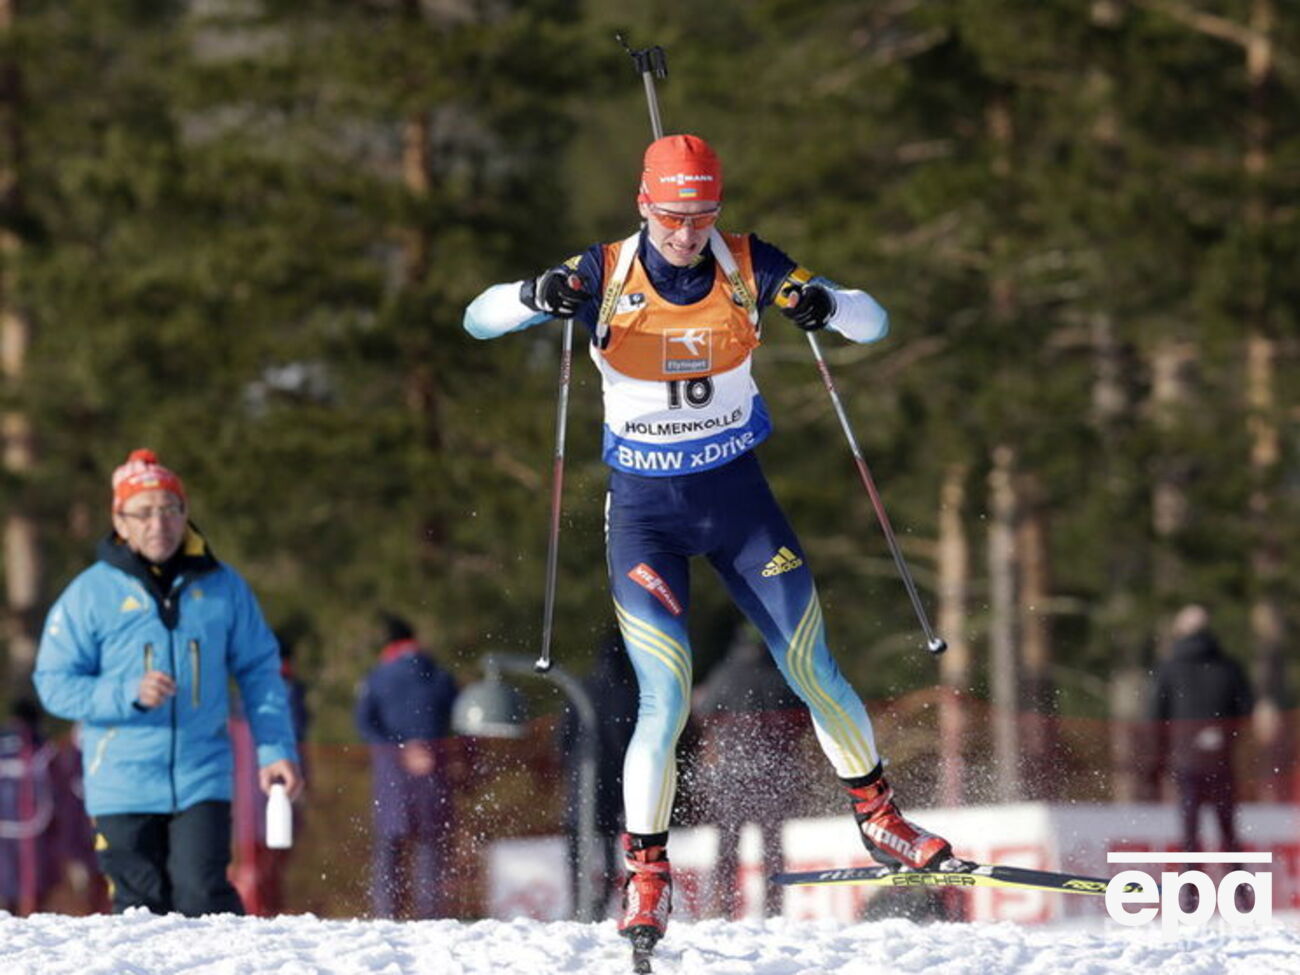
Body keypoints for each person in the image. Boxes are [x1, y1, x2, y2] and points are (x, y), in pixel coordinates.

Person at [464, 134, 951, 951]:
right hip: (647, 513)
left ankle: (882, 820)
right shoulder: (603, 272)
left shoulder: (751, 265)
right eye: (674, 216)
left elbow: (874, 323)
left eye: (703, 215)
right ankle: (647, 875)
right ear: (643, 205)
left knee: (812, 663)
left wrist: (824, 304)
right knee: (666, 694)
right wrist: (533, 294)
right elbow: (478, 319)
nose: (690, 233)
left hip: (738, 500)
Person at [32, 448, 303, 917]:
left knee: (204, 898)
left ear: (185, 514)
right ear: (120, 519)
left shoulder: (223, 586)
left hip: (203, 775)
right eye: (144, 512)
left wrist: (276, 750)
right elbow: (53, 683)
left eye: (170, 510)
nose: (159, 524)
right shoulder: (89, 594)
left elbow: (260, 671)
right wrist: (126, 694)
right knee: (140, 911)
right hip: (120, 781)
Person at [693, 628, 803, 918]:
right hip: (773, 773)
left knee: (727, 845)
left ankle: (723, 904)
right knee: (773, 843)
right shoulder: (779, 674)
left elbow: (702, 712)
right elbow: (800, 716)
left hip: (731, 772)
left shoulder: (724, 674)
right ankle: (774, 905)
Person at [354, 613, 459, 919]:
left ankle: (387, 915)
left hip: (391, 774)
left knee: (389, 848)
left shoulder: (377, 677)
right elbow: (458, 720)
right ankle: (431, 915)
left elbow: (364, 723)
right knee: (431, 846)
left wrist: (399, 749)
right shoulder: (440, 676)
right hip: (433, 770)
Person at [1150, 604, 1254, 854]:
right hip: (1221, 758)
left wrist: (1158, 760)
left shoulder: (1169, 668)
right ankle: (1239, 889)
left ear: (1180, 630)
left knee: (1189, 830)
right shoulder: (1229, 667)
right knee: (1228, 829)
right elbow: (1246, 708)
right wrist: (1227, 738)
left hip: (1185, 759)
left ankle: (1191, 889)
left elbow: (1155, 716)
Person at [557, 628, 639, 917]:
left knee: (578, 845)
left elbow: (564, 738)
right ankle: (602, 901)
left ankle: (580, 900)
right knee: (608, 843)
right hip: (615, 781)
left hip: (582, 781)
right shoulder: (632, 693)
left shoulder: (582, 689)